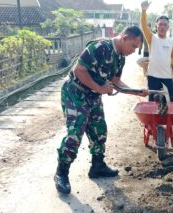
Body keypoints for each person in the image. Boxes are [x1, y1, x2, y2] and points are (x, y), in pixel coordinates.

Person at [54, 26, 148, 195]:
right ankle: (61, 173)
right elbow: (79, 70)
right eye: (133, 46)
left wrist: (136, 91)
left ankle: (97, 166)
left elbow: (116, 81)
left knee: (99, 131)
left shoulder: (120, 58)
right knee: (75, 134)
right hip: (75, 93)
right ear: (125, 38)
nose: (134, 51)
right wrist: (99, 87)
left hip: (93, 96)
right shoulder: (99, 47)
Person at [140, 0, 173, 102]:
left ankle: (168, 119)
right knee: (153, 102)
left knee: (170, 102)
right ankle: (153, 119)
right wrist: (143, 11)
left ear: (168, 27)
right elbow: (144, 26)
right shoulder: (151, 38)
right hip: (152, 76)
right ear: (156, 26)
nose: (162, 27)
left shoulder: (171, 42)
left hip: (167, 77)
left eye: (164, 25)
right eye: (160, 24)